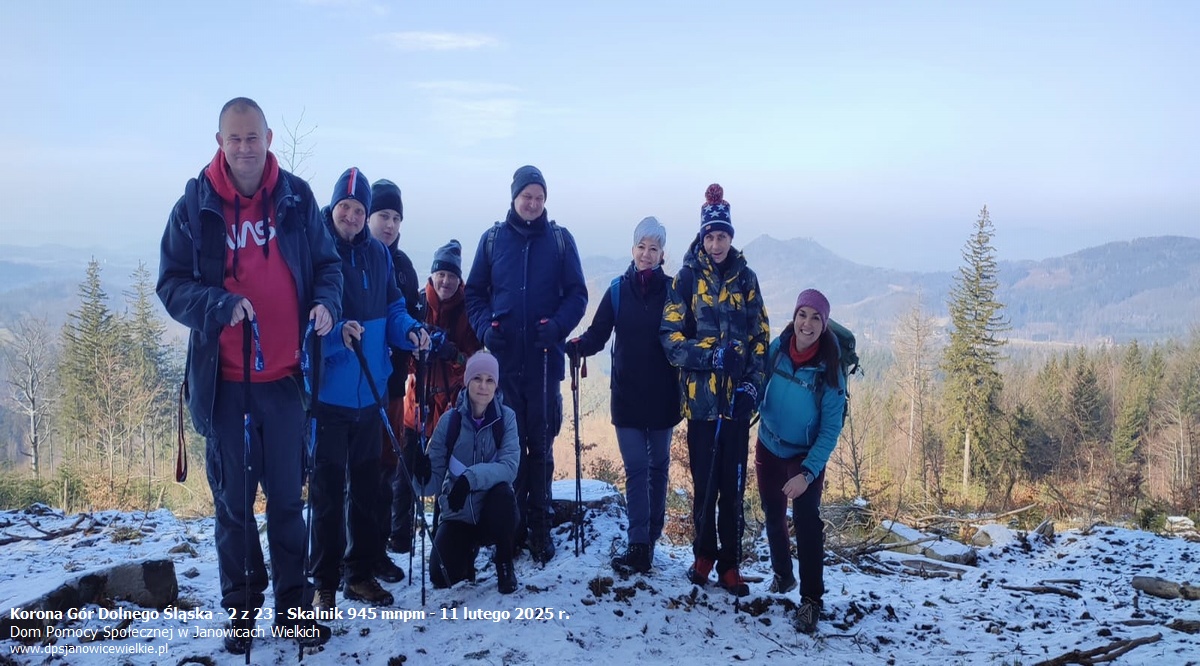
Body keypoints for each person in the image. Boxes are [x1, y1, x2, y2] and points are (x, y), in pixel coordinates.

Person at [157, 97, 339, 653]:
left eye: (251, 137)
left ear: (268, 139)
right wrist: (217, 304)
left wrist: (326, 303)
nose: (243, 148)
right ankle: (241, 610)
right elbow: (171, 286)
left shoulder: (297, 197)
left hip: (285, 382)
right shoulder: (194, 205)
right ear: (219, 141)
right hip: (225, 385)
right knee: (234, 508)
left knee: (287, 503)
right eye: (233, 139)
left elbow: (327, 265)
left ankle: (292, 609)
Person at [310, 168, 428, 611]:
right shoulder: (316, 252)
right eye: (346, 207)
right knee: (325, 495)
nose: (353, 216)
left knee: (366, 490)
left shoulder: (379, 256)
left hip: (371, 395)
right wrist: (337, 334)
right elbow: (304, 326)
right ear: (334, 207)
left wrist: (411, 331)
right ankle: (323, 582)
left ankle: (357, 575)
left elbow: (394, 308)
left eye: (360, 210)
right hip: (328, 398)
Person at [464, 165, 588, 564]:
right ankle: (510, 526)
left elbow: (577, 295)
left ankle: (539, 524)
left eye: (539, 197)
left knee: (541, 447)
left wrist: (557, 327)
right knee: (508, 449)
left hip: (544, 362)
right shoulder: (492, 241)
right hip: (503, 367)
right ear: (514, 198)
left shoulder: (560, 241)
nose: (532, 203)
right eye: (526, 196)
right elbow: (474, 295)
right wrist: (486, 330)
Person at [661, 183, 769, 597]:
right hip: (703, 404)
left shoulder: (747, 278)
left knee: (734, 486)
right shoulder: (686, 279)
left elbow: (761, 336)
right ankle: (703, 555)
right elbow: (670, 339)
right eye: (710, 236)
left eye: (722, 235)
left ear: (731, 237)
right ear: (702, 238)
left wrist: (752, 386)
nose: (717, 242)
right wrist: (712, 356)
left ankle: (731, 565)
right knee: (706, 486)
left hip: (737, 404)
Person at [568, 217, 681, 574]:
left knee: (659, 467)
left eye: (654, 249)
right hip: (628, 396)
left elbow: (687, 337)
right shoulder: (617, 290)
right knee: (636, 468)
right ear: (632, 250)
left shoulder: (675, 292)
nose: (647, 254)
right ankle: (638, 544)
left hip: (664, 396)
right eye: (642, 247)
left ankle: (652, 531)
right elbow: (598, 334)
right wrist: (577, 347)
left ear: (663, 254)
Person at [755, 288, 846, 634]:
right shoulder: (778, 349)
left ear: (824, 325)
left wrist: (807, 473)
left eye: (815, 318)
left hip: (804, 455)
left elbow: (830, 430)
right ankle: (782, 576)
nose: (806, 323)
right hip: (768, 444)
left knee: (806, 521)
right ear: (793, 317)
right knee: (772, 512)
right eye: (802, 315)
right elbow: (759, 383)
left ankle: (811, 601)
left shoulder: (831, 370)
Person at [412, 351, 520, 593]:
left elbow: (509, 468)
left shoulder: (506, 419)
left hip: (492, 512)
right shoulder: (450, 422)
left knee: (504, 494)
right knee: (441, 577)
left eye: (490, 380)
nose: (483, 386)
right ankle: (467, 551)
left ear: (496, 384)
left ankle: (504, 563)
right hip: (458, 514)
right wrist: (419, 473)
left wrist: (469, 479)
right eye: (477, 379)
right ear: (467, 381)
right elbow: (430, 486)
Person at [364, 178, 421, 572]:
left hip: (392, 385)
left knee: (386, 470)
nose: (389, 224)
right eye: (383, 214)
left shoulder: (402, 267)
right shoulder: (346, 258)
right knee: (355, 473)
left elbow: (408, 317)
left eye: (396, 217)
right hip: (351, 387)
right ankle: (348, 557)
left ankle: (376, 550)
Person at [403, 240, 481, 470]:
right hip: (416, 406)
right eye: (441, 274)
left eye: (452, 276)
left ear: (460, 280)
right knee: (405, 480)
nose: (446, 281)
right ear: (433, 274)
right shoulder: (417, 306)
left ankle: (444, 508)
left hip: (452, 407)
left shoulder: (469, 312)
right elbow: (401, 360)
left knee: (448, 480)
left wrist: (452, 354)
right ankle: (403, 509)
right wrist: (417, 354)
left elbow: (475, 366)